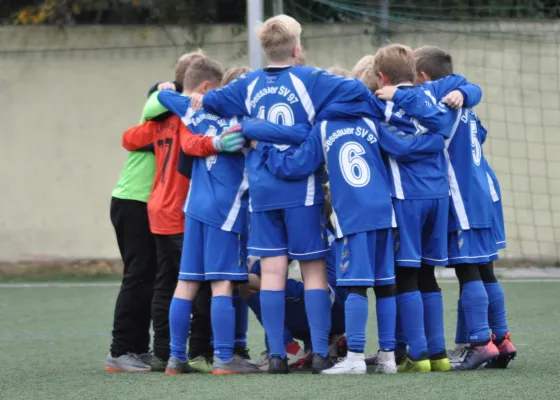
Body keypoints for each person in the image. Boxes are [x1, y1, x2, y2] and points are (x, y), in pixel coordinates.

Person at [191, 14, 375, 374]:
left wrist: (256, 125)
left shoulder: (250, 83)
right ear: (296, 47)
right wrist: (306, 126)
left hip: (262, 192)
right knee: (314, 272)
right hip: (302, 191)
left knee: (272, 273)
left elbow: (212, 103)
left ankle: (276, 355)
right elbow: (357, 92)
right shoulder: (312, 78)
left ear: (263, 48)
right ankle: (320, 352)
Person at [413, 45, 514, 370]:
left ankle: (481, 343)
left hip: (462, 197)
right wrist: (464, 91)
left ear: (424, 77)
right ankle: (501, 339)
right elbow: (480, 134)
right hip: (484, 191)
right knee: (485, 269)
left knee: (467, 268)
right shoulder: (464, 103)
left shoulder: (437, 101)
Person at [104, 51, 202, 373]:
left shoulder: (167, 106)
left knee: (153, 277)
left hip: (147, 202)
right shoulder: (163, 104)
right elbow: (133, 134)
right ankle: (121, 350)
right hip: (134, 199)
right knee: (140, 275)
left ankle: (139, 348)